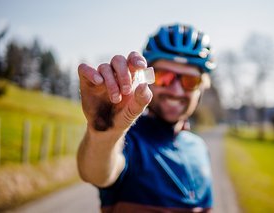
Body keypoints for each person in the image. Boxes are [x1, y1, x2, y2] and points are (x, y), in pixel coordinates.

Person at [77, 23, 216, 213]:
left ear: (202, 87)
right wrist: (104, 131)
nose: (175, 91)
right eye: (163, 77)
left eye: (190, 81)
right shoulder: (129, 140)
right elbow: (96, 173)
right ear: (146, 77)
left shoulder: (199, 147)